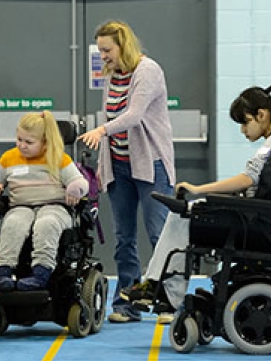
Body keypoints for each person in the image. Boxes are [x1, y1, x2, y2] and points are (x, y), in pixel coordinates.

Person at [120, 85, 271, 321]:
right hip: (262, 217)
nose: (242, 130)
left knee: (182, 215)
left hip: (253, 222)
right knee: (187, 212)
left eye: (245, 122)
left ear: (262, 115)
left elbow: (247, 179)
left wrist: (198, 189)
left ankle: (164, 292)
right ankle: (158, 287)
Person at [78, 20, 175, 323]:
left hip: (151, 164)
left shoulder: (148, 71)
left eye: (107, 50)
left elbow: (134, 116)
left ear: (124, 46)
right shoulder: (112, 75)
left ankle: (169, 301)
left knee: (159, 234)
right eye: (101, 50)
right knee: (124, 238)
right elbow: (113, 112)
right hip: (119, 165)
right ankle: (126, 303)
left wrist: (102, 130)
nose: (103, 56)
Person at [0, 111, 89, 291]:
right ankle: (3, 272)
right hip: (21, 207)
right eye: (19, 139)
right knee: (13, 224)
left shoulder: (58, 158)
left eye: (29, 142)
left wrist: (74, 189)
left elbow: (81, 183)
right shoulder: (9, 158)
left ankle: (41, 273)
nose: (22, 145)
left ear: (45, 142)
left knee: (46, 224)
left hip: (55, 206)